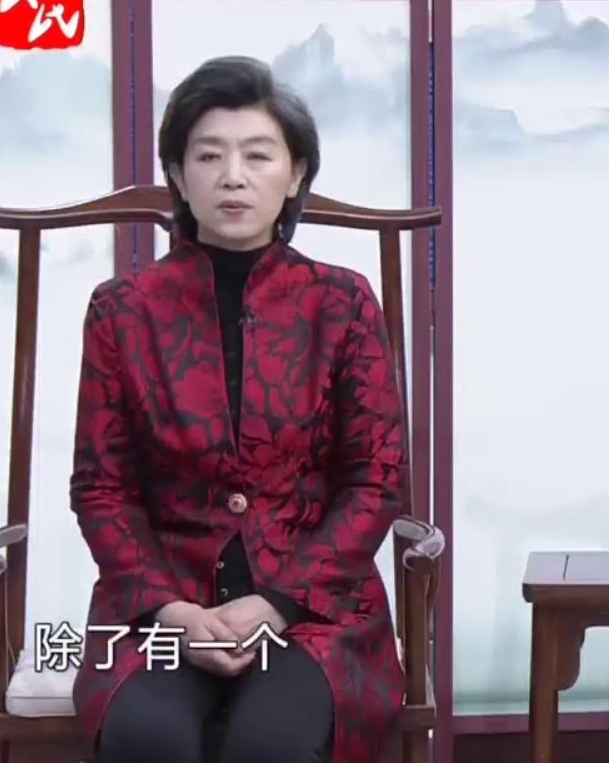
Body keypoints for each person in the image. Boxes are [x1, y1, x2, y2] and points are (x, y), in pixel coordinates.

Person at [68, 56, 407, 763]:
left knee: (271, 744)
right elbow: (101, 488)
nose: (232, 176)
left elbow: (375, 481)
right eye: (208, 156)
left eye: (258, 155)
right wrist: (172, 611)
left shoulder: (342, 304)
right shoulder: (121, 311)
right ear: (177, 173)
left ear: (296, 174)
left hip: (314, 611)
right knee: (148, 738)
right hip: (160, 610)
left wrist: (275, 603)